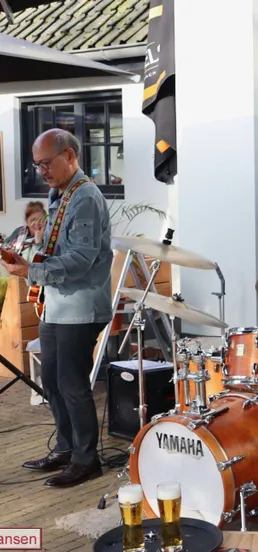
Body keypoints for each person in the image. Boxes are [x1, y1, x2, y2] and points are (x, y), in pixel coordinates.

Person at [1, 128, 113, 488]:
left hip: (79, 308)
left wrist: (31, 269)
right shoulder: (58, 194)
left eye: (46, 163)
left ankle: (86, 459)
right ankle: (65, 448)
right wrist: (29, 257)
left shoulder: (86, 197)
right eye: (37, 166)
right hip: (54, 305)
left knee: (72, 384)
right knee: (50, 380)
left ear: (69, 155)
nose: (42, 172)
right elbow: (58, 251)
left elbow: (81, 260)